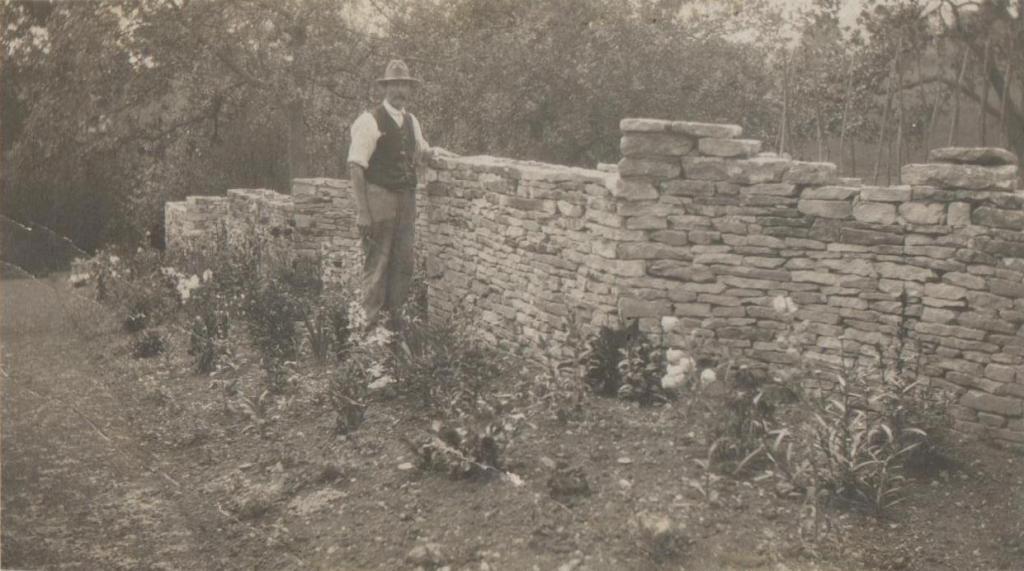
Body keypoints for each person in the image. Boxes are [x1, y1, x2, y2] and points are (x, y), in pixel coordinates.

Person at [347, 59, 451, 333]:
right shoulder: (369, 121)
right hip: (379, 199)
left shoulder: (411, 121)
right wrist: (363, 212)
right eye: (394, 85)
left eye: (404, 85)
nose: (399, 91)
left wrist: (432, 154)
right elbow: (356, 167)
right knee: (378, 264)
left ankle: (394, 327)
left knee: (403, 263)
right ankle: (367, 331)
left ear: (410, 89)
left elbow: (420, 151)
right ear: (385, 88)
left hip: (407, 200)